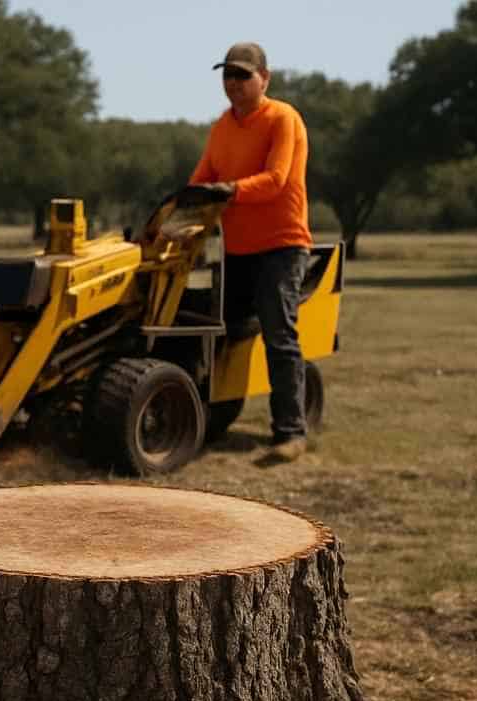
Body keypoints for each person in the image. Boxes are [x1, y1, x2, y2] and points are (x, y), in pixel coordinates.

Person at [189, 42, 313, 463]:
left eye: (243, 75)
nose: (234, 83)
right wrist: (183, 206)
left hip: (282, 246)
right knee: (217, 335)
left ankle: (291, 433)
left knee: (279, 337)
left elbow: (277, 180)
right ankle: (209, 419)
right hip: (238, 249)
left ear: (265, 78)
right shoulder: (222, 126)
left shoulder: (283, 119)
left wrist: (229, 191)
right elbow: (202, 177)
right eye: (227, 75)